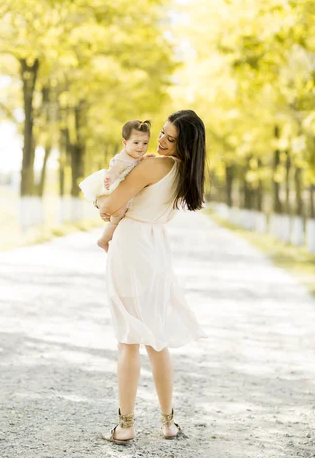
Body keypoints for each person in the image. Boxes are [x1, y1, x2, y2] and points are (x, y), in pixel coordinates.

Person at [97, 109, 208, 445]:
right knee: (156, 340)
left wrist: (102, 197)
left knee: (128, 340)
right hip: (157, 251)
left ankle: (126, 425)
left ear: (184, 144)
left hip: (131, 247)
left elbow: (109, 204)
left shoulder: (149, 166)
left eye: (169, 138)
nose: (160, 140)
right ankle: (168, 422)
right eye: (162, 132)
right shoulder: (186, 173)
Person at [79, 120, 153, 252]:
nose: (141, 147)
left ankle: (113, 240)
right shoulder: (122, 158)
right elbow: (115, 169)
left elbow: (134, 165)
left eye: (145, 143)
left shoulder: (133, 156)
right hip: (114, 189)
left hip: (123, 190)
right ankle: (103, 240)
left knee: (121, 217)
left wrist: (143, 159)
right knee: (116, 218)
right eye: (136, 143)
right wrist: (109, 178)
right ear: (125, 143)